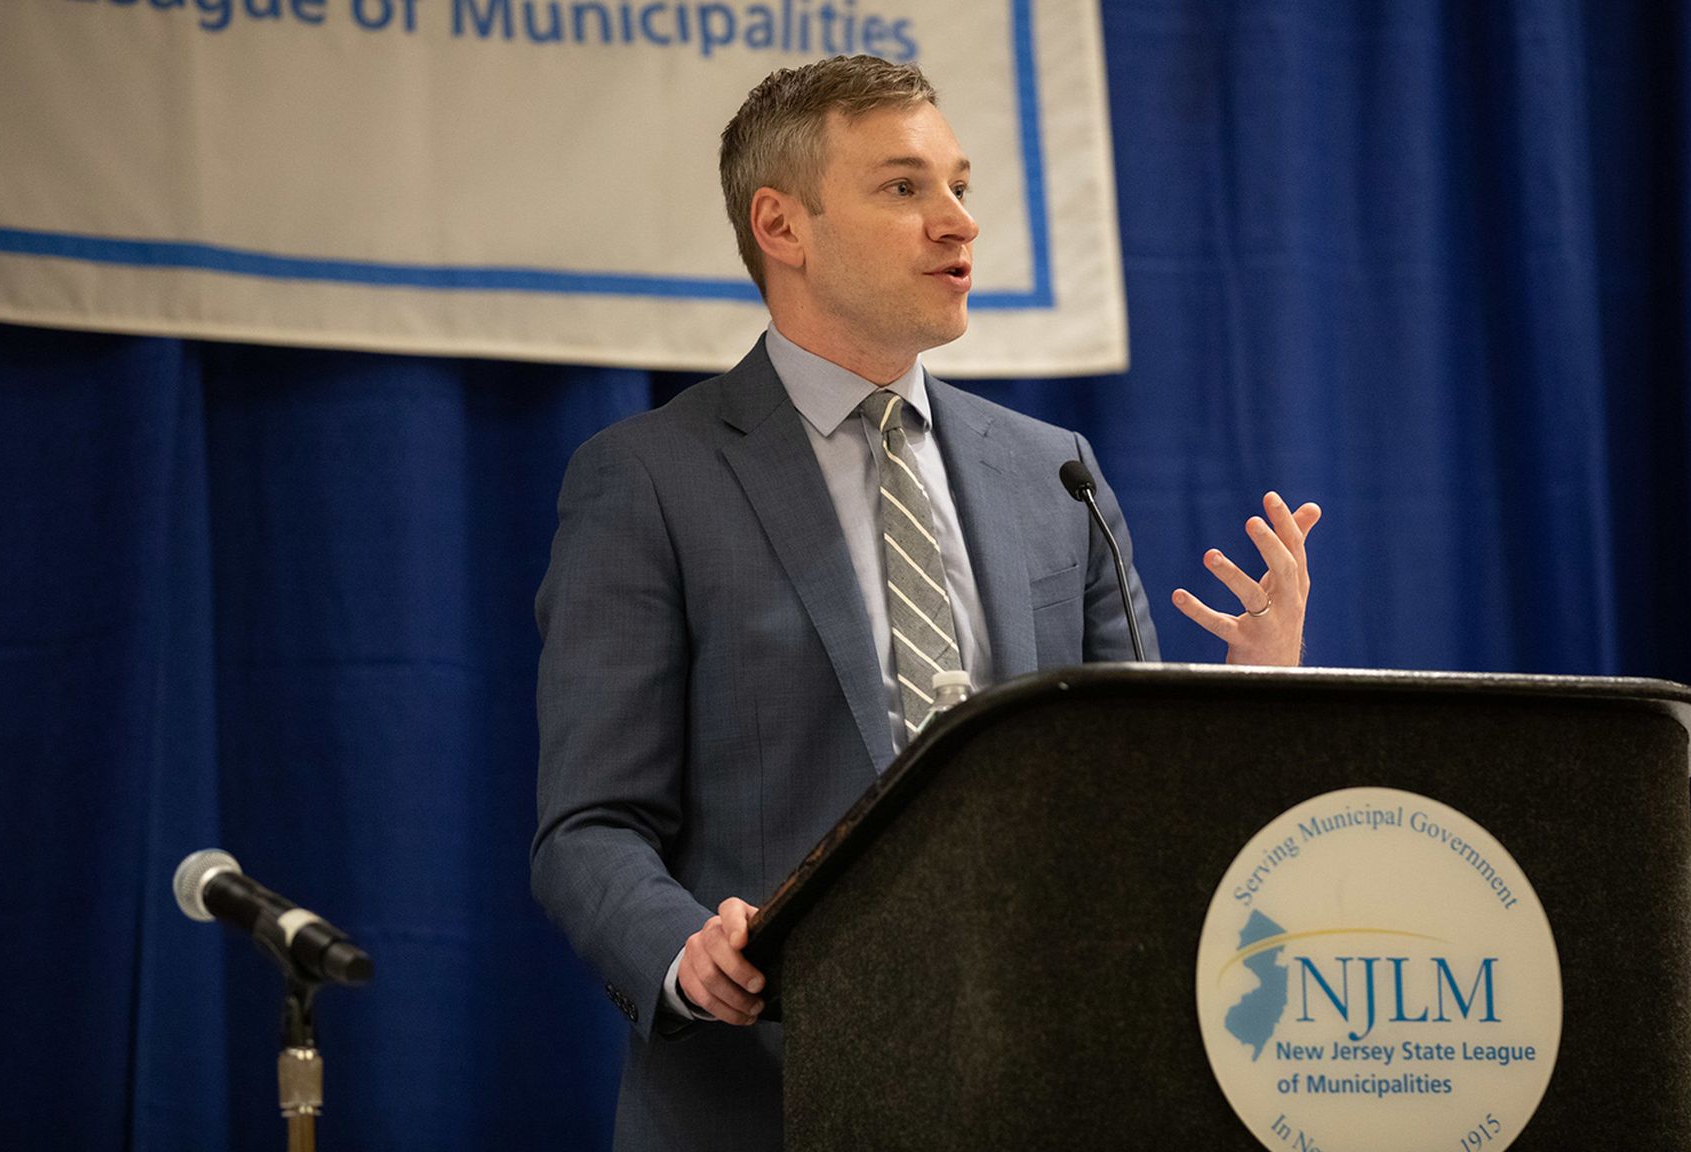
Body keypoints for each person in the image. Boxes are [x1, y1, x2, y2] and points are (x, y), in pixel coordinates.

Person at [531, 55, 1320, 1151]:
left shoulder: (1057, 475)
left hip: (1039, 1092)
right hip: (770, 1098)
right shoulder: (651, 480)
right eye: (905, 188)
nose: (960, 224)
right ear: (782, 226)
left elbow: (1132, 810)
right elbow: (590, 828)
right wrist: (683, 953)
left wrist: (1242, 711)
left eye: (960, 185)